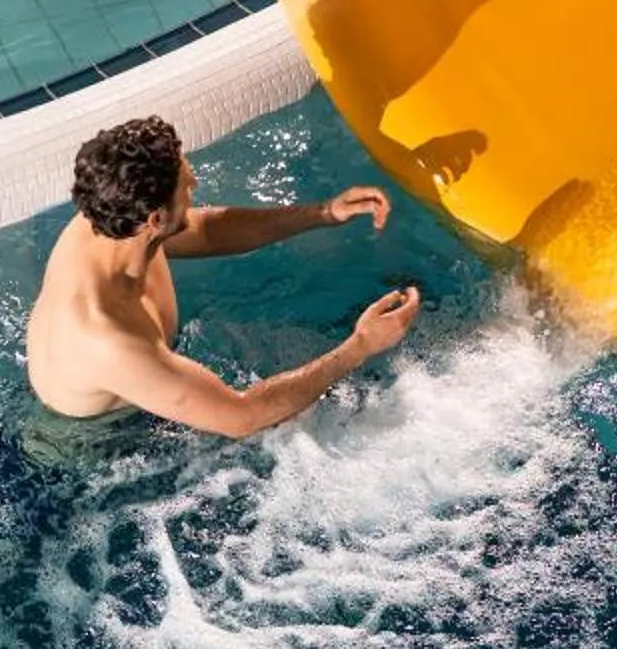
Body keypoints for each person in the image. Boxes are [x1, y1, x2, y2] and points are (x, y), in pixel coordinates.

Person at [23, 116, 419, 440]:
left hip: (134, 394)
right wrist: (360, 346)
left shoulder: (115, 221)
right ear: (156, 218)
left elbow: (204, 230)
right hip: (93, 450)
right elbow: (243, 417)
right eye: (185, 184)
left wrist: (322, 213)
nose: (195, 184)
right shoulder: (106, 338)